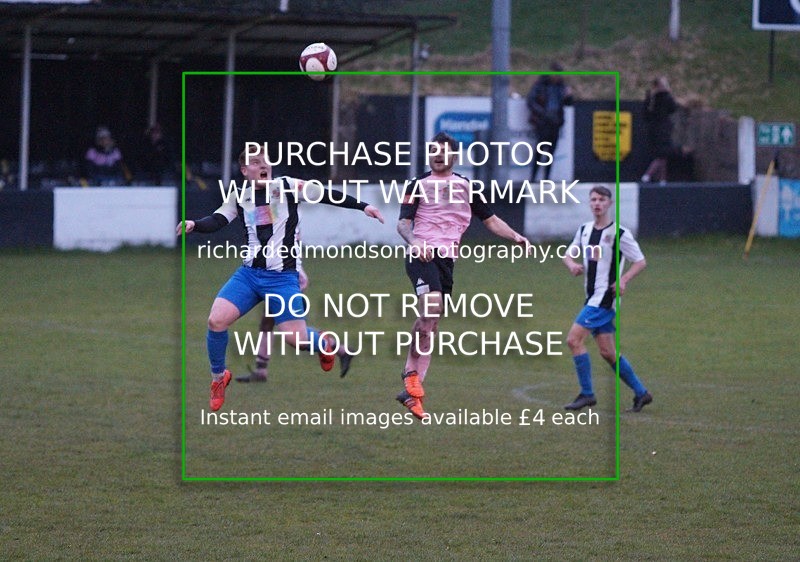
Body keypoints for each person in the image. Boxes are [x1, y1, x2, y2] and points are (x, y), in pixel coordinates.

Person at [177, 145, 384, 411]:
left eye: (266, 160)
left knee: (295, 338)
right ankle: (219, 378)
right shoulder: (240, 195)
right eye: (256, 162)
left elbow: (325, 195)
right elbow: (218, 219)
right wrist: (195, 224)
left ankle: (329, 344)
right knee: (216, 320)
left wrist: (363, 206)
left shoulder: (286, 186)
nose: (263, 165)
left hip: (282, 278)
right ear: (244, 170)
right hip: (249, 275)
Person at [395, 131, 532, 420]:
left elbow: (491, 221)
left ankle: (412, 393)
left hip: (447, 261)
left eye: (443, 152)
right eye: (433, 151)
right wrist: (415, 242)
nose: (437, 155)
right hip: (422, 255)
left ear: (454, 156)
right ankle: (409, 372)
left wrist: (516, 236)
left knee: (432, 325)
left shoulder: (466, 187)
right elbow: (403, 224)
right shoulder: (417, 184)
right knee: (429, 313)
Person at [561, 185, 652, 413]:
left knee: (573, 340)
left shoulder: (619, 233)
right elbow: (568, 254)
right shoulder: (584, 230)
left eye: (601, 199)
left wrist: (624, 279)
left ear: (609, 204)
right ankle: (642, 393)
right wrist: (572, 264)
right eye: (593, 199)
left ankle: (587, 394)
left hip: (604, 299)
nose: (597, 203)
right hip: (591, 297)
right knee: (608, 352)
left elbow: (640, 261)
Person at [526, 62, 573, 182]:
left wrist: (569, 96)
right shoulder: (541, 85)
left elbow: (568, 103)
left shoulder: (561, 87)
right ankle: (533, 177)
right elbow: (531, 101)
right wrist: (543, 114)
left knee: (551, 152)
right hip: (543, 122)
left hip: (555, 122)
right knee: (540, 150)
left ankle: (546, 178)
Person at [641, 76, 678, 184]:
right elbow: (673, 108)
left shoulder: (652, 98)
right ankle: (647, 175)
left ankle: (662, 179)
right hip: (662, 129)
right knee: (662, 154)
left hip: (654, 129)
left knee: (663, 155)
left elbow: (646, 113)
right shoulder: (665, 97)